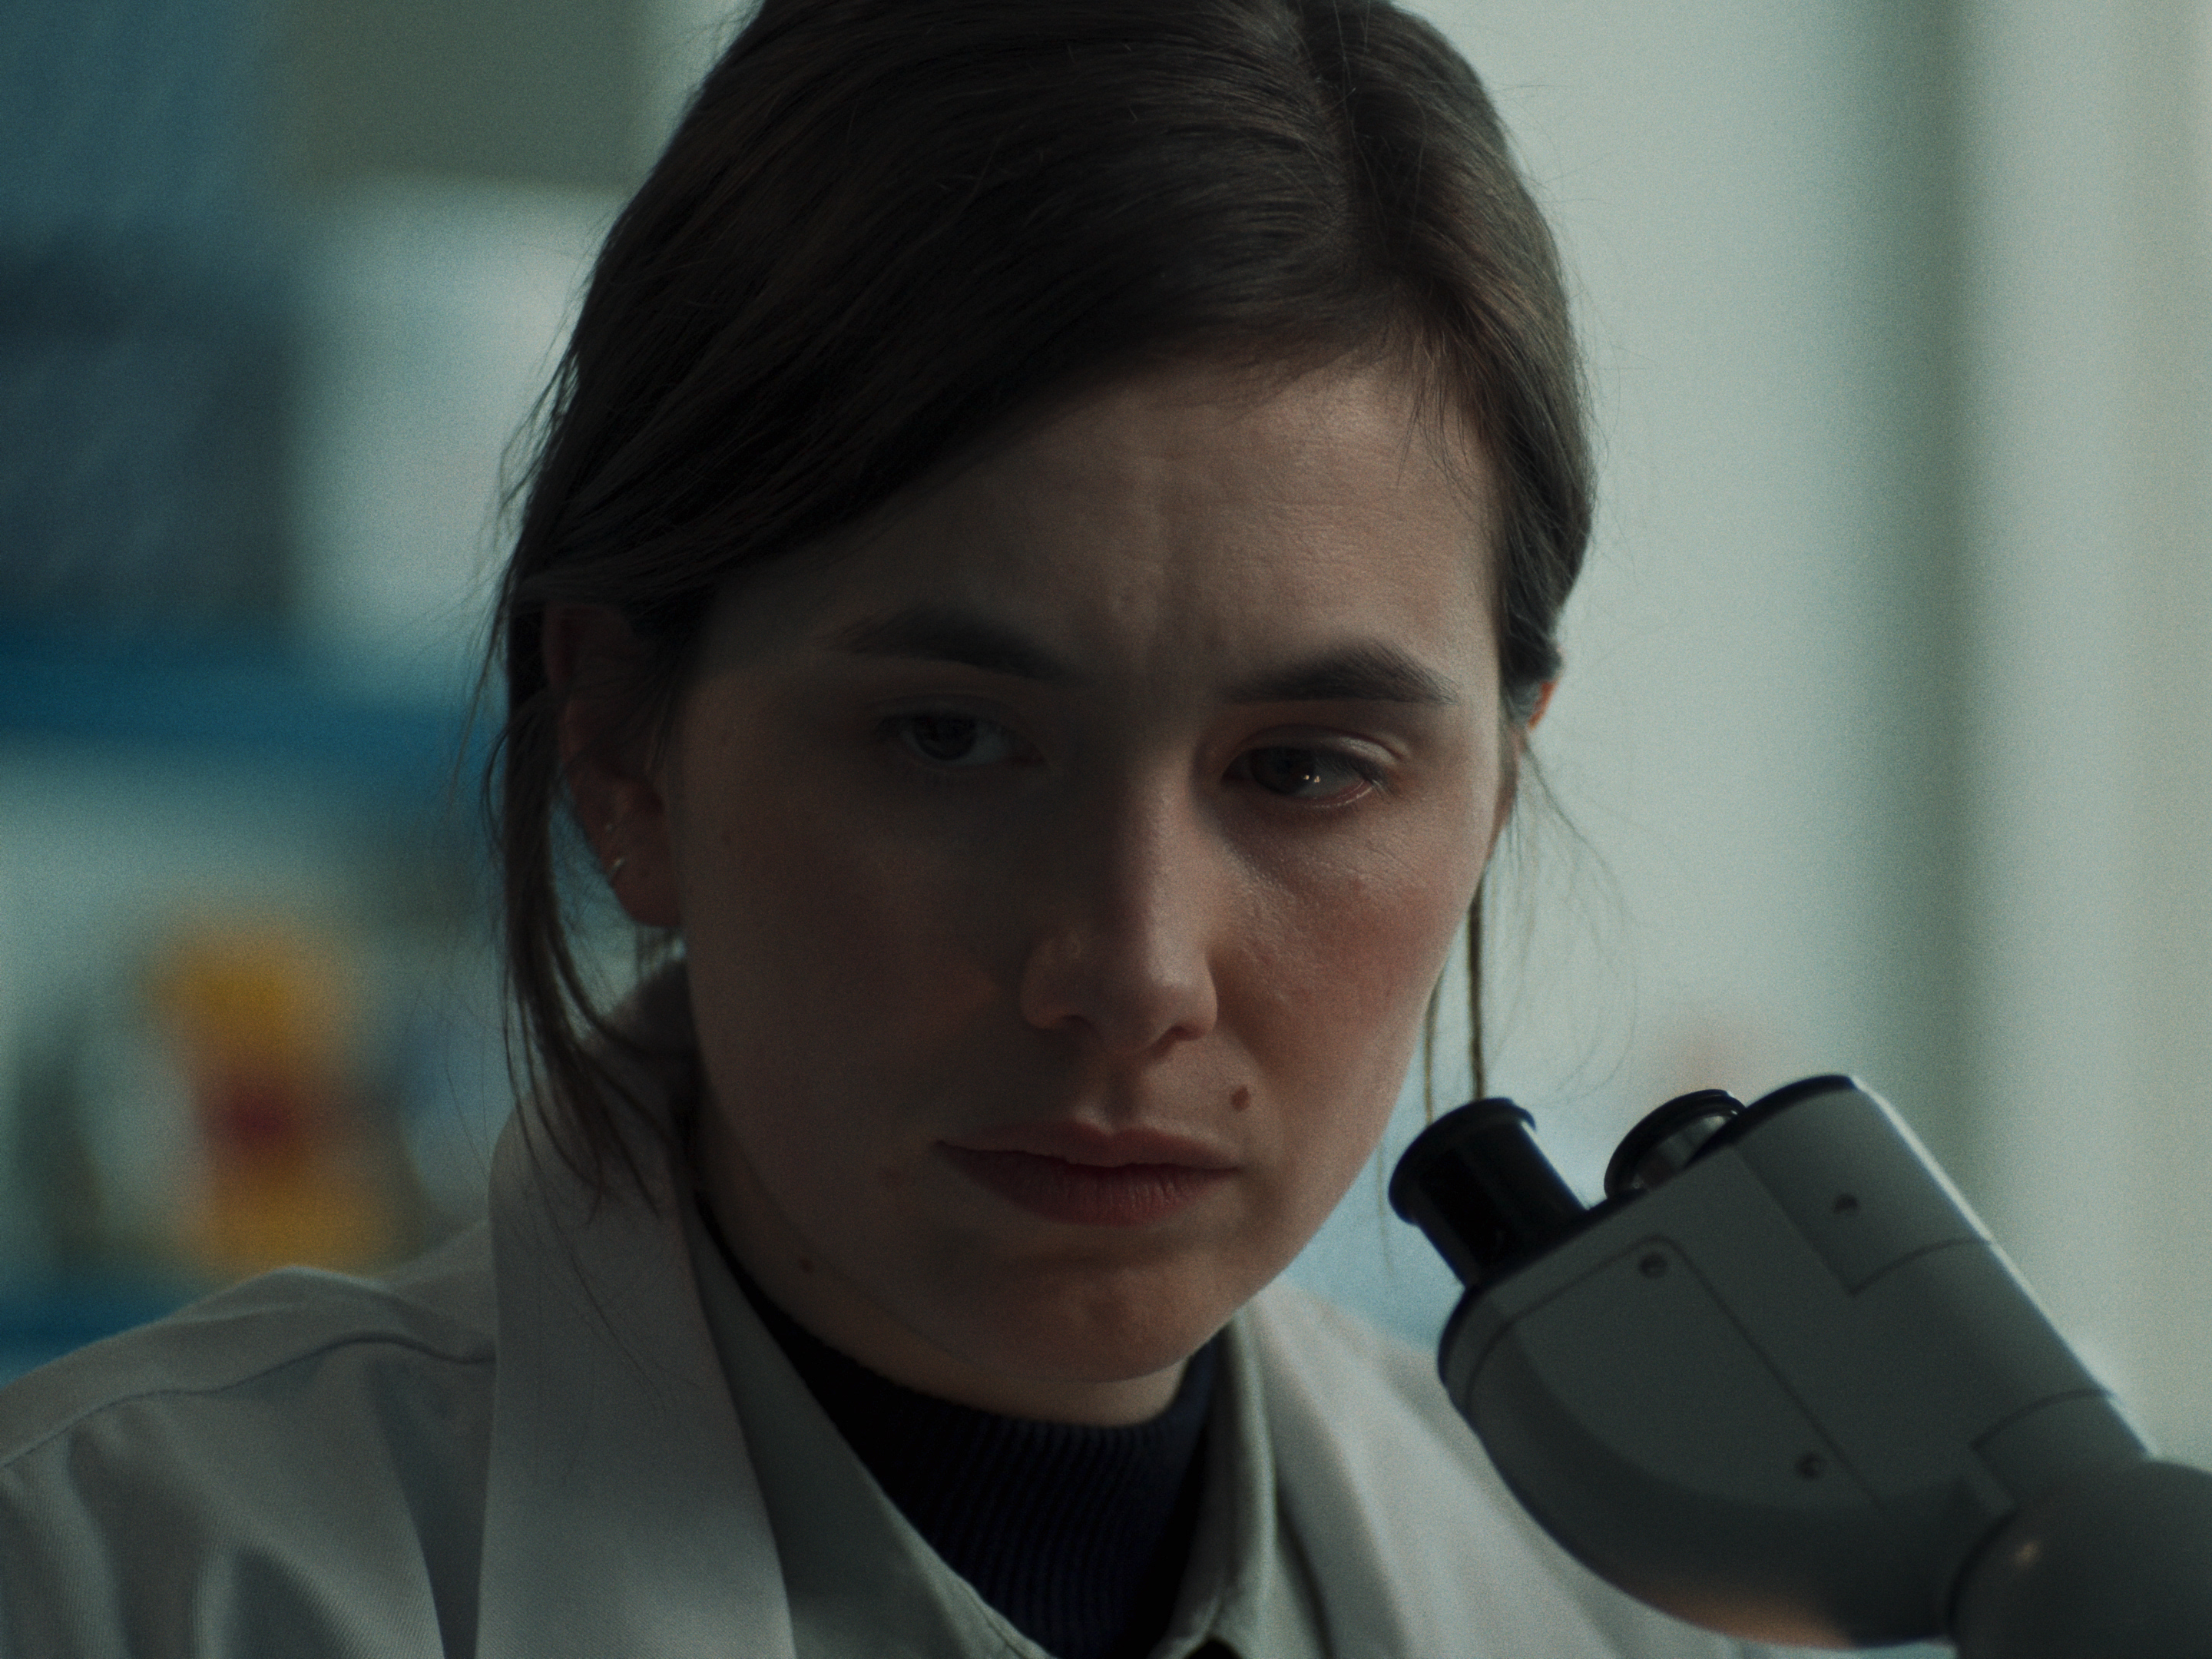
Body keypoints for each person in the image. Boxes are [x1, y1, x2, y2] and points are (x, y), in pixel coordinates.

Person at [0, 3, 1804, 1654]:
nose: (1132, 972)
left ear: (1496, 789)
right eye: (952, 738)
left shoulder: (1614, 1611)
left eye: (1307, 771)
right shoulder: (109, 1582)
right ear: (625, 751)